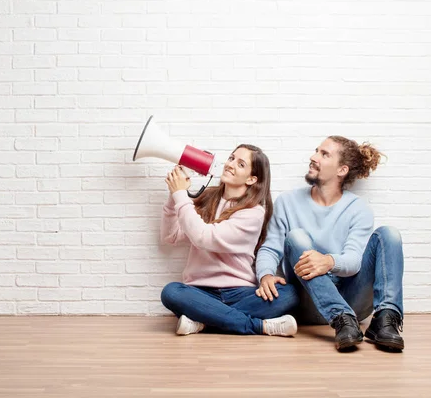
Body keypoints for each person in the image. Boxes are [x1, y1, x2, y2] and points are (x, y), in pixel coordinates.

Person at [255, 136, 405, 352]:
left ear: (341, 170)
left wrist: (328, 261)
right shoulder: (287, 202)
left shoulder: (357, 209)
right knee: (296, 237)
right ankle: (339, 316)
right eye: (316, 151)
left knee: (389, 234)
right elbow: (270, 247)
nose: (313, 157)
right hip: (309, 301)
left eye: (324, 154)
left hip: (352, 304)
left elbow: (354, 260)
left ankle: (385, 320)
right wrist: (266, 275)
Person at [160, 144, 299, 337]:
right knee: (171, 292)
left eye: (240, 164)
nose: (230, 164)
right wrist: (173, 195)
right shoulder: (207, 198)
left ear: (252, 179)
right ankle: (260, 326)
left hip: (240, 292)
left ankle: (204, 321)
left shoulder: (254, 213)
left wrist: (180, 195)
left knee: (289, 294)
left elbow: (203, 237)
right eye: (232, 158)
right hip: (200, 292)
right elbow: (171, 236)